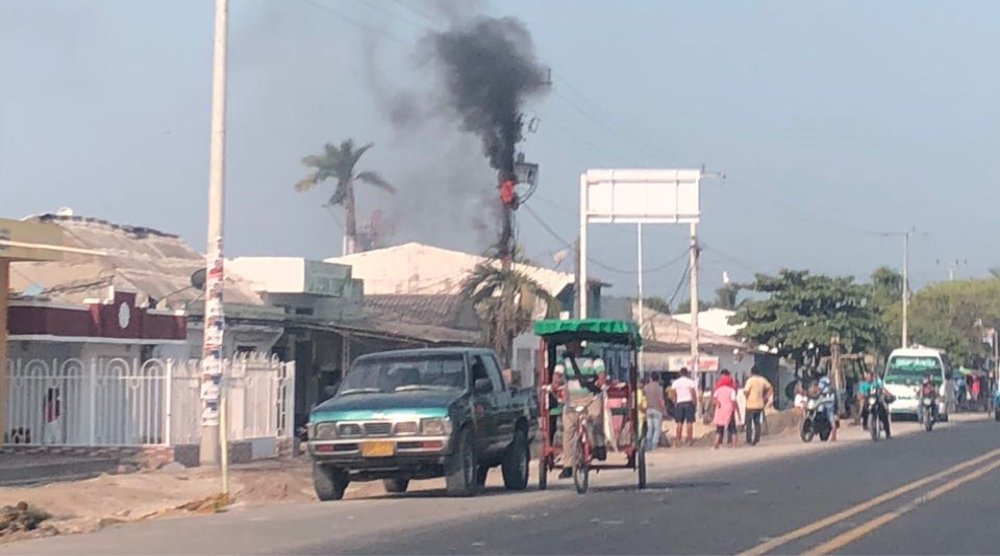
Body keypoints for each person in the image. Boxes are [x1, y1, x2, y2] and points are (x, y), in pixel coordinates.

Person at [558, 342, 607, 479]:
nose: (570, 347)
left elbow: (601, 373)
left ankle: (599, 446)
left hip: (591, 397)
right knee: (568, 430)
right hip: (572, 400)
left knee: (596, 418)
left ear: (579, 344)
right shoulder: (564, 359)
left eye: (572, 344)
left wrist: (600, 381)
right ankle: (567, 465)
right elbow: (558, 373)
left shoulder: (593, 357)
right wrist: (555, 382)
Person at [743, 366, 773, 445]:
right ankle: (756, 438)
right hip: (760, 404)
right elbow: (770, 388)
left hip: (750, 404)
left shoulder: (750, 381)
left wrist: (746, 397)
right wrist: (765, 398)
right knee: (757, 422)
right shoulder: (762, 380)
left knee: (749, 422)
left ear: (751, 372)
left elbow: (746, 391)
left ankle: (749, 439)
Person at [670, 368, 698, 447]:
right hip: (689, 402)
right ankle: (689, 440)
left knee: (679, 423)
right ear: (687, 373)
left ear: (680, 373)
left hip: (679, 403)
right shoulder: (690, 382)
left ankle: (678, 441)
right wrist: (695, 403)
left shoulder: (675, 383)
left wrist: (675, 402)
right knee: (689, 422)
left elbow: (673, 394)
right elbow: (693, 394)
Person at [712, 370, 738, 449]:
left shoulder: (718, 390)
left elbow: (714, 400)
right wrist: (735, 410)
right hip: (729, 411)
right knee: (732, 429)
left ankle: (715, 445)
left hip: (720, 411)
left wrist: (718, 403)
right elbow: (733, 401)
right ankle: (733, 445)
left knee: (719, 429)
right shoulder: (732, 390)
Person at [643, 372, 668, 451]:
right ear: (658, 379)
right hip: (657, 410)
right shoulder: (659, 388)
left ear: (651, 378)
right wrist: (664, 410)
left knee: (650, 428)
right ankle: (654, 446)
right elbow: (661, 400)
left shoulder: (646, 387)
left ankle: (648, 445)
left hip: (648, 409)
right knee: (657, 429)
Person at [816, 377, 838, 442]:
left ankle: (834, 436)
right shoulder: (822, 391)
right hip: (823, 407)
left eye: (822, 384)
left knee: (832, 420)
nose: (820, 385)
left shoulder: (831, 391)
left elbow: (832, 399)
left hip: (830, 407)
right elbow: (818, 398)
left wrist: (823, 400)